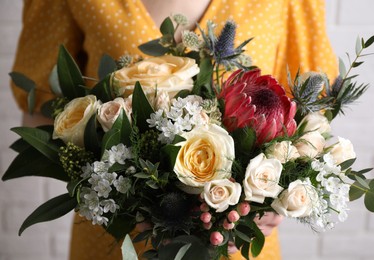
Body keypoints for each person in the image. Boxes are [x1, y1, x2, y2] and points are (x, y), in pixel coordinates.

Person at [11, 0, 338, 259]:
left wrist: (277, 204)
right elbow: (41, 110)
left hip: (235, 240)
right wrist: (113, 194)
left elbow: (310, 120)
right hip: (116, 240)